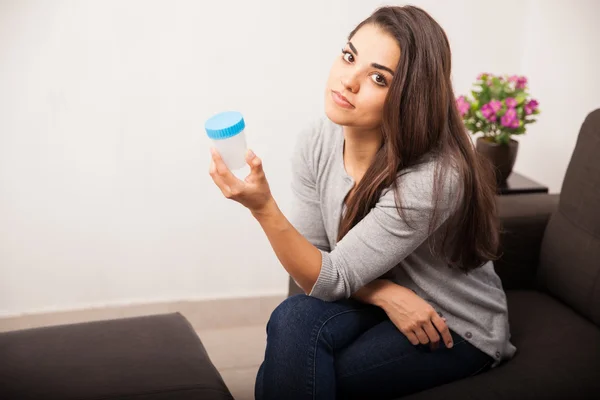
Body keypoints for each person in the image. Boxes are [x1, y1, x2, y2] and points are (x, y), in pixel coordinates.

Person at [208, 5, 515, 400]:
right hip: (371, 297)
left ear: (409, 97)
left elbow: (328, 276)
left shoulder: (433, 177)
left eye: (377, 78)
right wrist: (383, 292)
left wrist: (263, 207)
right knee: (292, 319)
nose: (348, 80)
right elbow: (314, 264)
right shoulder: (317, 140)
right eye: (349, 56)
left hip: (450, 321)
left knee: (304, 371)